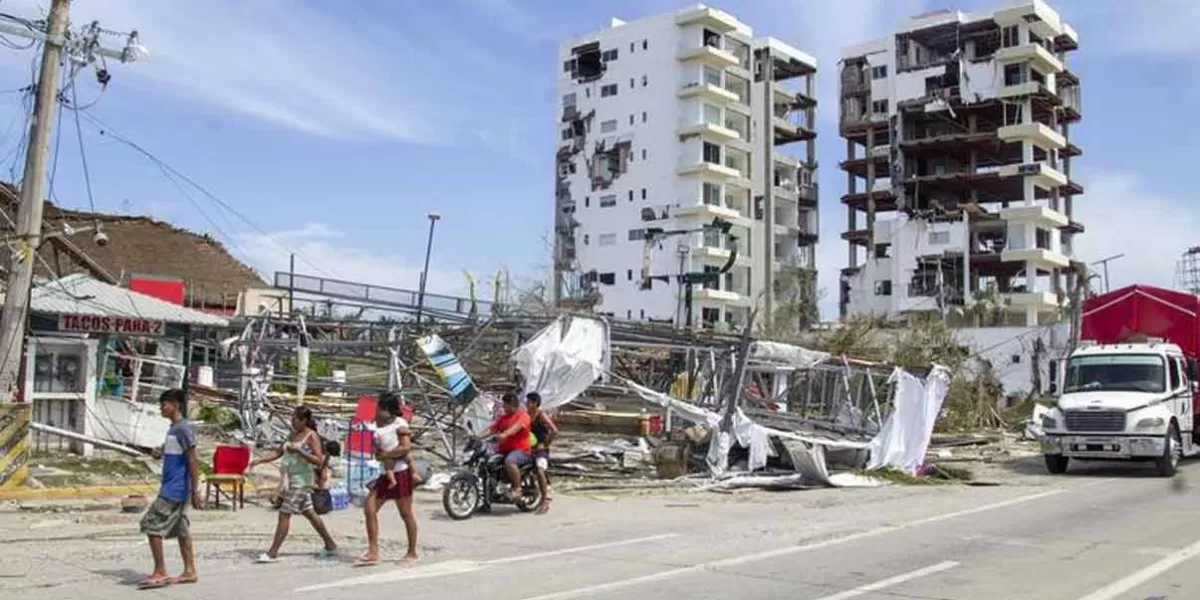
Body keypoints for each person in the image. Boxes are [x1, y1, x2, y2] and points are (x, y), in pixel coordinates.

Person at [249, 406, 337, 563]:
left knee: (284, 513)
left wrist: (301, 452)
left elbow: (319, 460)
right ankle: (330, 544)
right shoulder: (292, 434)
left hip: (302, 481)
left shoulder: (312, 436)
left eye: (295, 419)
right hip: (292, 477)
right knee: (310, 513)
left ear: (304, 421)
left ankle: (273, 552)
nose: (292, 422)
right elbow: (278, 452)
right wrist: (260, 460)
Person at [138, 389, 201, 589]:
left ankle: (160, 571)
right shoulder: (173, 429)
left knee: (151, 523)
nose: (161, 407)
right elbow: (173, 450)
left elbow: (192, 458)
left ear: (175, 405)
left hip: (175, 488)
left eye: (164, 404)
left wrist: (195, 488)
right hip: (172, 485)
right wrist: (160, 451)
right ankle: (190, 570)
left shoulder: (183, 428)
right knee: (181, 528)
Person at [357, 392, 419, 567]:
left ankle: (412, 552)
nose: (376, 411)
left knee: (406, 513)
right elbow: (377, 453)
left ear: (388, 410)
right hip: (385, 472)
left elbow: (405, 447)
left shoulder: (400, 424)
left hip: (401, 472)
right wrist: (379, 454)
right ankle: (373, 551)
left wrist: (387, 454)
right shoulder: (376, 426)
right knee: (369, 508)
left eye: (380, 408)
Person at [477, 392, 531, 501]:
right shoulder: (503, 418)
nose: (503, 407)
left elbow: (516, 427)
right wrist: (478, 437)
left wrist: (504, 434)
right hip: (504, 451)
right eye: (503, 405)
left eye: (505, 405)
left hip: (521, 451)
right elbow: (492, 429)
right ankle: (487, 500)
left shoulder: (523, 416)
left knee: (509, 461)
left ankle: (517, 488)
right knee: (487, 465)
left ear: (513, 405)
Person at [526, 392, 558, 515]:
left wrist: (545, 444)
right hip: (529, 448)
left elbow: (555, 431)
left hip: (540, 450)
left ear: (534, 403)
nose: (527, 404)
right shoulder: (526, 414)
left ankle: (544, 501)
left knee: (540, 470)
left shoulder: (541, 415)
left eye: (529, 402)